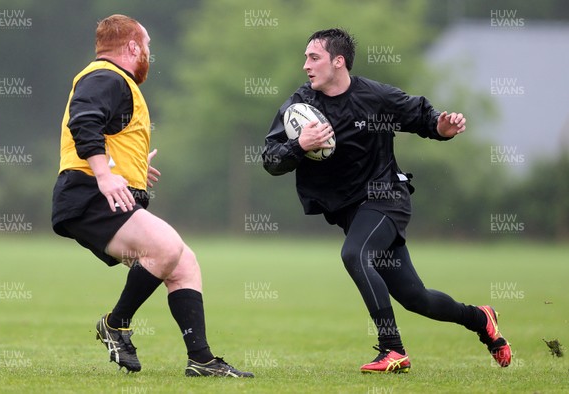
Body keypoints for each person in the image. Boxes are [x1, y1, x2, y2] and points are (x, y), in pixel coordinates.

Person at [262, 28, 512, 373]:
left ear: (338, 62)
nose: (305, 65)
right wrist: (299, 145)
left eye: (313, 57)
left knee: (354, 254)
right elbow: (271, 160)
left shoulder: (375, 96)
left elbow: (422, 116)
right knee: (415, 297)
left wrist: (442, 127)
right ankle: (481, 319)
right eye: (305, 58)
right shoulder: (301, 106)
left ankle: (392, 349)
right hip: (351, 212)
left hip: (385, 198)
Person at [51, 14, 253, 378]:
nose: (148, 54)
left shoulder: (114, 80)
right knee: (166, 247)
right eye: (146, 47)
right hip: (87, 193)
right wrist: (105, 175)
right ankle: (116, 324)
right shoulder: (106, 76)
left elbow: (103, 131)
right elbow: (83, 120)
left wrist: (129, 169)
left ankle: (201, 360)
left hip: (100, 193)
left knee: (183, 262)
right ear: (132, 46)